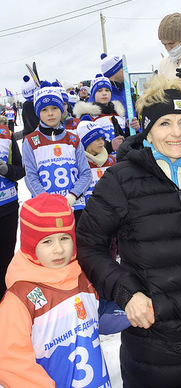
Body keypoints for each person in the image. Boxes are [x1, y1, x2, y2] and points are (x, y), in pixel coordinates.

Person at [76, 75, 181, 387]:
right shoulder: (121, 180)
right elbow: (88, 245)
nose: (177, 133)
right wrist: (126, 293)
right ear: (149, 131)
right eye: (165, 123)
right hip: (154, 347)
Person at [0, 193, 118, 387]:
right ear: (30, 244)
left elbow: (97, 318)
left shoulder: (82, 276)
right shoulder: (19, 298)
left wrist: (136, 310)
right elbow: (10, 362)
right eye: (47, 241)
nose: (59, 249)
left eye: (65, 238)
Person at [22, 82, 92, 220]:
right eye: (44, 110)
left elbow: (86, 174)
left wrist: (72, 197)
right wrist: (48, 201)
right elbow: (30, 177)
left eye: (54, 108)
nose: (50, 113)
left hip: (75, 206)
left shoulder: (73, 139)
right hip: (45, 209)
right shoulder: (30, 141)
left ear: (62, 109)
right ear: (38, 113)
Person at [0, 116, 25, 298]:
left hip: (7, 208)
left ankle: (6, 298)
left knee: (5, 257)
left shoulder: (6, 136)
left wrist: (6, 169)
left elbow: (20, 170)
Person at [73, 74, 126, 153]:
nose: (104, 93)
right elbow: (85, 145)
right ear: (94, 94)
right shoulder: (88, 117)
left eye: (107, 90)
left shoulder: (119, 114)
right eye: (100, 90)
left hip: (123, 161)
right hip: (103, 163)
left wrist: (132, 129)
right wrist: (109, 146)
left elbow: (127, 139)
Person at [76, 121, 116, 203]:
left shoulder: (111, 160)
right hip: (88, 208)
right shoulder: (79, 162)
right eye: (97, 139)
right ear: (87, 142)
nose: (102, 142)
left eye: (102, 139)